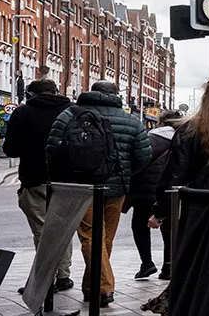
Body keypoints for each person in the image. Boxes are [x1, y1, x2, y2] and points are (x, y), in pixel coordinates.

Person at [46, 80, 151, 308]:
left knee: (91, 237)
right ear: (116, 95)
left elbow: (52, 148)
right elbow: (144, 155)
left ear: (91, 93)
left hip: (81, 186)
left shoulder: (68, 115)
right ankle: (99, 288)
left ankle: (99, 288)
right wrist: (125, 173)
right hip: (116, 188)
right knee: (104, 240)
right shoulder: (131, 120)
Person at [2, 78, 76, 292]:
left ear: (30, 94)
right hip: (68, 181)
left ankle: (46, 280)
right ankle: (63, 275)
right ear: (56, 91)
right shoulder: (73, 111)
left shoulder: (23, 113)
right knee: (63, 228)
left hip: (34, 179)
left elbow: (11, 150)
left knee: (42, 231)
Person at [127, 109, 184, 280]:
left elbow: (137, 162)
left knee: (139, 225)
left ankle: (147, 263)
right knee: (170, 229)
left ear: (161, 123)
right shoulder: (184, 139)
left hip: (146, 191)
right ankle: (168, 267)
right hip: (171, 192)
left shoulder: (150, 138)